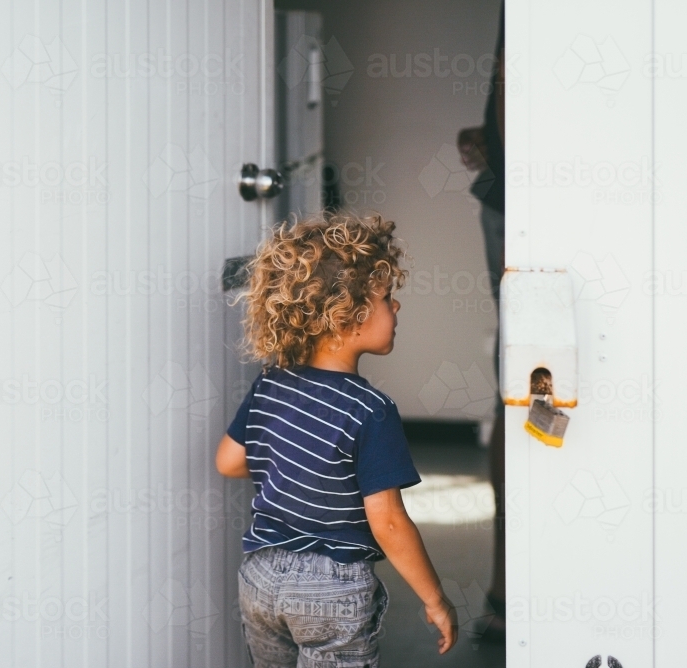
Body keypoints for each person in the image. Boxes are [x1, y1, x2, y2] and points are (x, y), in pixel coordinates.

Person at [215, 213, 458, 667]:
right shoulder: (370, 409)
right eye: (387, 298)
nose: (397, 308)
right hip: (332, 587)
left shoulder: (272, 382)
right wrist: (435, 598)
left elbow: (228, 461)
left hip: (260, 574)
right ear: (344, 316)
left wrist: (293, 461)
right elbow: (387, 521)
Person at [457, 0, 505, 642]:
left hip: (519, 203)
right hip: (507, 195)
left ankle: (504, 591)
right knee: (516, 394)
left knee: (519, 394)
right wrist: (488, 141)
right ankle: (503, 588)